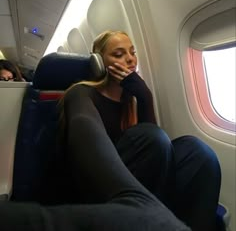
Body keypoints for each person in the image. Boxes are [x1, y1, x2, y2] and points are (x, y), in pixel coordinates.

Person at [0, 30, 223, 231]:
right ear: (98, 62)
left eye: (132, 52)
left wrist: (145, 97)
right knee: (150, 138)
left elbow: (159, 156)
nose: (129, 59)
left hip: (136, 189)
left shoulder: (130, 99)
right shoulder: (80, 94)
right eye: (118, 54)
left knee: (198, 153)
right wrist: (144, 206)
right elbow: (89, 147)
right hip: (88, 184)